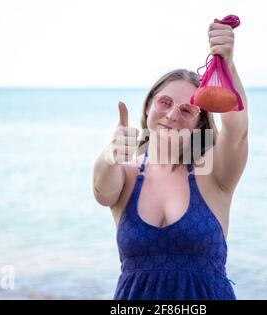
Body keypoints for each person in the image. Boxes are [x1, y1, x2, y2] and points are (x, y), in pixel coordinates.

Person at [93, 20, 248, 300]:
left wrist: (227, 65)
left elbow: (237, 132)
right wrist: (109, 156)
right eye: (164, 102)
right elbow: (102, 193)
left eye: (187, 110)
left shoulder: (212, 175)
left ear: (199, 124)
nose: (172, 114)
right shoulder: (125, 176)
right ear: (150, 104)